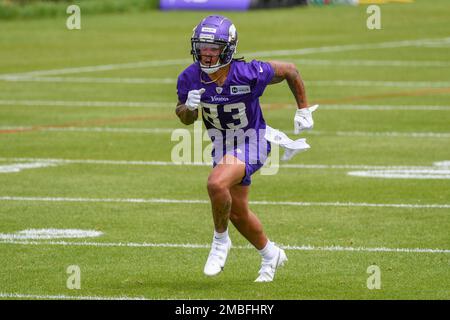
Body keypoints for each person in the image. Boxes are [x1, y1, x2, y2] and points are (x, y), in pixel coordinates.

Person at [175, 15, 317, 282]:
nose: (206, 54)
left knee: (216, 184)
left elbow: (290, 70)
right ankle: (270, 254)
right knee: (237, 212)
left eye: (213, 48)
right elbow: (184, 117)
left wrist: (303, 109)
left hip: (254, 140)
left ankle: (220, 241)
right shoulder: (189, 77)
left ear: (227, 49)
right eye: (202, 46)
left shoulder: (248, 73)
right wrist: (189, 108)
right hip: (223, 146)